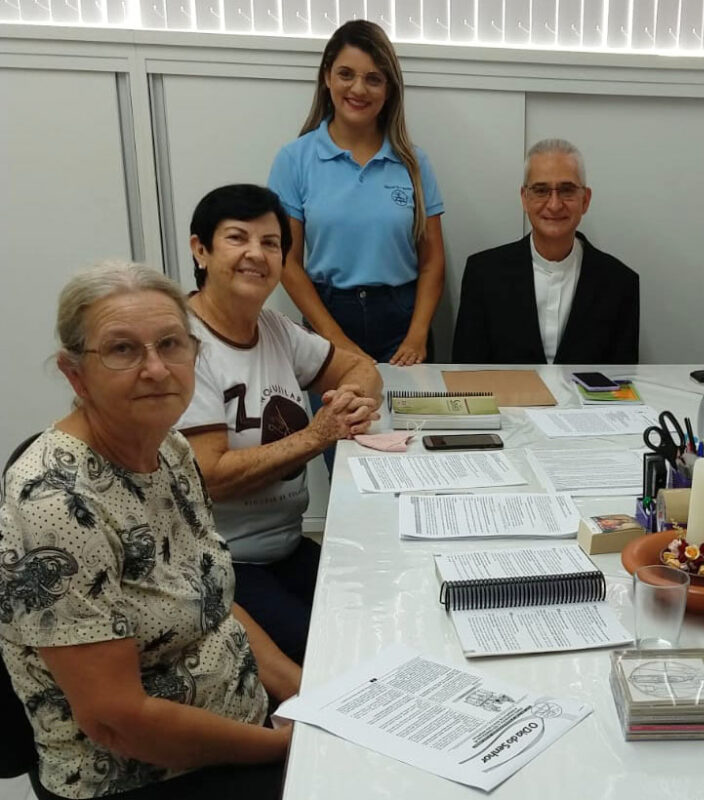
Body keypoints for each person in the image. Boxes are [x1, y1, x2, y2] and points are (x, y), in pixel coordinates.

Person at [0, 262, 297, 800]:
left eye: (171, 344)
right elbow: (117, 721)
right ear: (74, 374)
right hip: (141, 775)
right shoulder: (55, 502)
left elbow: (213, 600)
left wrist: (307, 695)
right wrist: (282, 746)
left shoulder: (170, 448)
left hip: (238, 729)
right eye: (122, 350)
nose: (157, 369)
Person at [178, 184, 383, 664]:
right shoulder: (182, 345)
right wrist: (318, 434)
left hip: (288, 548)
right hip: (225, 565)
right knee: (337, 655)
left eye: (271, 243)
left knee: (380, 611)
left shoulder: (273, 328)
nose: (257, 254)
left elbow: (362, 369)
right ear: (200, 250)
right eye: (238, 238)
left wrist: (352, 402)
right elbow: (211, 477)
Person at [268, 19, 445, 366]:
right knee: (337, 421)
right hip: (328, 320)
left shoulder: (413, 162)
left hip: (403, 321)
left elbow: (432, 261)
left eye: (373, 79)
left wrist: (417, 334)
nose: (358, 89)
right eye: (346, 74)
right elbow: (288, 262)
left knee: (408, 422)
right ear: (326, 77)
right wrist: (333, 338)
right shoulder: (294, 159)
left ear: (389, 88)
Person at [452, 138, 640, 364]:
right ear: (524, 198)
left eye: (567, 190)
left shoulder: (620, 283)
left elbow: (622, 383)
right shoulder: (483, 274)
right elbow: (466, 373)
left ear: (585, 200)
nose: (554, 204)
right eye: (541, 191)